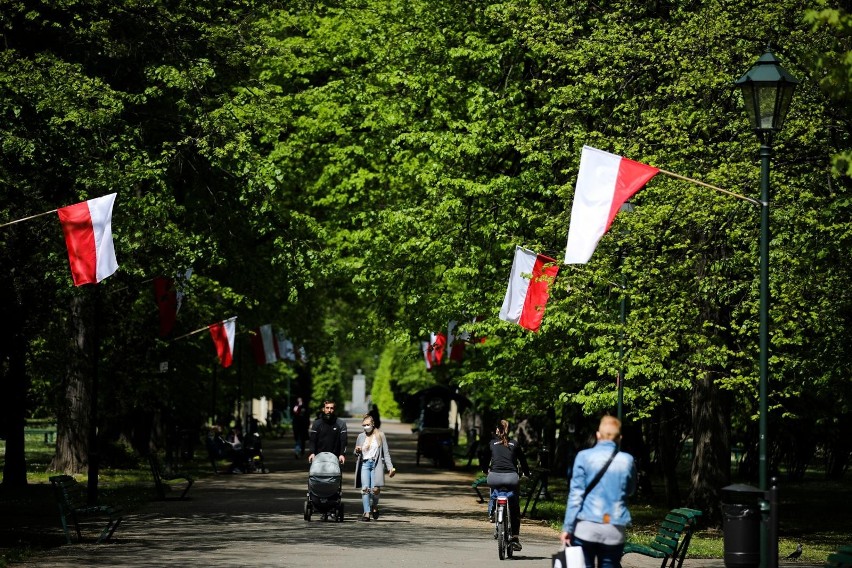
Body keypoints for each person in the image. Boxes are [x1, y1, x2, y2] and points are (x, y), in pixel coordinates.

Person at [560, 416, 637, 568]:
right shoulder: (627, 460)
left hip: (585, 528)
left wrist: (567, 528)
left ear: (598, 435)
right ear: (619, 438)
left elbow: (576, 496)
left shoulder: (583, 457)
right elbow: (631, 490)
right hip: (614, 528)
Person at [485, 419, 530, 551]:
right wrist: (526, 473)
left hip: (494, 478)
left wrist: (484, 470)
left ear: (497, 430)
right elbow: (523, 461)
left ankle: (492, 509)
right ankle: (515, 538)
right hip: (511, 478)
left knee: (495, 490)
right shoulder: (514, 444)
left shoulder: (492, 443)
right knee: (514, 506)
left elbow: (484, 459)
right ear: (508, 430)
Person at [353, 414, 395, 521]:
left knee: (375, 490)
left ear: (373, 424)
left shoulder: (380, 435)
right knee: (365, 489)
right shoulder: (361, 436)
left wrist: (390, 467)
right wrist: (357, 450)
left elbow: (386, 453)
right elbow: (356, 452)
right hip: (365, 464)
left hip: (376, 465)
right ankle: (366, 512)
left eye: (368, 424)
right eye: (364, 425)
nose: (366, 427)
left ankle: (375, 506)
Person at [307, 399, 348, 465]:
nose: (329, 410)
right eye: (327, 408)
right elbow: (312, 440)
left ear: (334, 409)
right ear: (323, 409)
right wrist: (312, 453)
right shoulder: (317, 424)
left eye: (331, 408)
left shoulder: (341, 424)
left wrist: (342, 454)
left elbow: (344, 441)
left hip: (335, 458)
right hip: (318, 458)